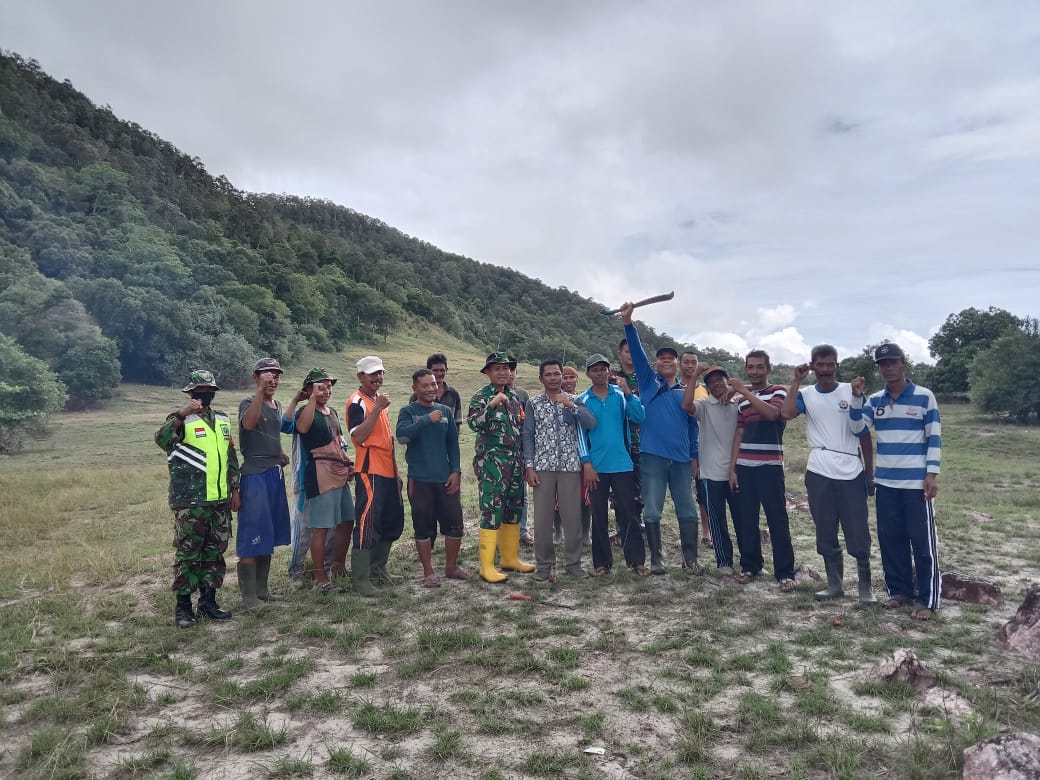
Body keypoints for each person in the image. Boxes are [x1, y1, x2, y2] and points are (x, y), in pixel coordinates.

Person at [849, 343, 941, 620]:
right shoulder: (874, 400)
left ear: (903, 363)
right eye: (883, 364)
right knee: (891, 540)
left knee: (922, 544)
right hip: (886, 483)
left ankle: (926, 599)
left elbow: (934, 437)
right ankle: (899, 591)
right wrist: (856, 398)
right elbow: (858, 428)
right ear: (879, 368)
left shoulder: (924, 397)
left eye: (893, 362)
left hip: (916, 484)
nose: (888, 367)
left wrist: (931, 474)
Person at [781, 345, 877, 603]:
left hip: (850, 468)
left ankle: (865, 588)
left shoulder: (851, 390)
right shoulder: (807, 393)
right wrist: (795, 382)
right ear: (812, 366)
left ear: (837, 365)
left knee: (857, 530)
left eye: (830, 364)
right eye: (820, 365)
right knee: (825, 529)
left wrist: (869, 473)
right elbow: (786, 413)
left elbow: (864, 435)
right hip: (819, 469)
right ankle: (835, 584)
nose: (825, 370)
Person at [619, 303, 701, 574]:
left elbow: (692, 428)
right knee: (652, 509)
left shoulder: (685, 390)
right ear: (656, 364)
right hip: (652, 456)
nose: (666, 361)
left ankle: (690, 560)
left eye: (671, 358)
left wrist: (694, 458)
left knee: (687, 508)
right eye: (662, 358)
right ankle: (657, 559)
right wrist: (629, 323)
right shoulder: (647, 381)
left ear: (677, 364)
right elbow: (638, 353)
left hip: (680, 460)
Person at [155, 370, 240, 628]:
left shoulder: (223, 420)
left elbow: (230, 457)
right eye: (200, 390)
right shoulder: (180, 420)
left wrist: (235, 489)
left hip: (219, 500)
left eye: (209, 390)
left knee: (215, 554)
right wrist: (183, 413)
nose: (205, 394)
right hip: (191, 501)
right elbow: (162, 440)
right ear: (190, 393)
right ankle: (183, 609)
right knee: (188, 555)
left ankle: (208, 603)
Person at [728, 350, 797, 591]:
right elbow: (739, 433)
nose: (755, 371)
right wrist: (733, 468)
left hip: (770, 467)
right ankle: (750, 566)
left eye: (759, 367)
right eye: (751, 367)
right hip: (745, 468)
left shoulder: (777, 391)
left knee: (777, 519)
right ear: (746, 369)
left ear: (768, 369)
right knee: (747, 520)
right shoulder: (741, 401)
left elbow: (772, 415)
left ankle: (785, 572)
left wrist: (744, 390)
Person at [523, 359, 597, 579]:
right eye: (549, 375)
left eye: (558, 374)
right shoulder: (534, 404)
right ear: (541, 378)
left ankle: (573, 564)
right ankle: (543, 565)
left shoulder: (576, 400)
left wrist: (571, 406)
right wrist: (529, 466)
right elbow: (528, 435)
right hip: (543, 466)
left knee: (572, 517)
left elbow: (590, 422)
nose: (554, 378)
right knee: (543, 519)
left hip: (570, 467)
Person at [396, 368, 469, 587]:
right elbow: (402, 437)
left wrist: (456, 471)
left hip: (445, 479)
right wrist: (427, 420)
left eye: (434, 384)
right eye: (425, 385)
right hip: (419, 480)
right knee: (423, 527)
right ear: (415, 388)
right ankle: (428, 572)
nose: (431, 389)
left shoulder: (445, 411)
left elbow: (452, 445)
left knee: (455, 525)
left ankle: (451, 566)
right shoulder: (408, 411)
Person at [468, 351, 535, 582]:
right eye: (498, 368)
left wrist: (526, 464)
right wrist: (492, 405)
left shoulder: (516, 397)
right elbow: (473, 423)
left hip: (515, 465)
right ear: (488, 372)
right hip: (492, 466)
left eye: (507, 368)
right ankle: (486, 567)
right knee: (491, 511)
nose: (504, 372)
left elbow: (522, 431)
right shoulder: (482, 396)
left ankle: (510, 558)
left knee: (513, 510)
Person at [579, 354, 647, 575]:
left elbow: (639, 416)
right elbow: (580, 435)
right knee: (598, 515)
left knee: (629, 513)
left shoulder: (620, 394)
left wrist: (628, 392)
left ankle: (636, 561)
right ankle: (601, 563)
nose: (599, 373)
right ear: (588, 373)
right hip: (596, 468)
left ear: (609, 371)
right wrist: (586, 463)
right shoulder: (583, 400)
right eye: (594, 370)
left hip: (622, 464)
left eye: (603, 369)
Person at [236, 357, 292, 610]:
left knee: (267, 531)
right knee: (252, 533)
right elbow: (249, 424)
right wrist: (260, 393)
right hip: (255, 474)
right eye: (267, 375)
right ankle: (249, 598)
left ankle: (262, 590)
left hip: (273, 472)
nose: (273, 379)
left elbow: (270, 433)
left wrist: (278, 452)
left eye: (276, 375)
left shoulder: (277, 404)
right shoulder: (249, 402)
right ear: (255, 377)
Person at [347, 356, 406, 596]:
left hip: (387, 470)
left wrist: (396, 471)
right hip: (369, 470)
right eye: (372, 374)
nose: (377, 378)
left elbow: (387, 439)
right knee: (366, 522)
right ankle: (360, 580)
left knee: (390, 520)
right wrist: (378, 408)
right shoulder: (357, 402)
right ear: (360, 377)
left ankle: (378, 568)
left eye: (380, 373)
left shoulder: (377, 400)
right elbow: (358, 436)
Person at [294, 369, 354, 594]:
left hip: (339, 471)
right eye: (320, 386)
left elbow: (339, 442)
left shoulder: (333, 412)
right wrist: (310, 400)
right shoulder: (306, 411)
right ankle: (320, 578)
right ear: (309, 389)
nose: (326, 390)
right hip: (319, 473)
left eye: (329, 386)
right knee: (320, 526)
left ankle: (338, 568)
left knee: (347, 520)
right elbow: (302, 428)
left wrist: (349, 463)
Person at [683, 365, 741, 576]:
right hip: (710, 473)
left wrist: (738, 390)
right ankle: (723, 560)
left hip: (736, 471)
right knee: (717, 520)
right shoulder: (705, 405)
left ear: (728, 381)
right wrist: (694, 376)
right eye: (712, 381)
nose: (717, 384)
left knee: (742, 518)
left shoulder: (739, 402)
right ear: (707, 387)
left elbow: (760, 388)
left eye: (721, 380)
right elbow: (686, 405)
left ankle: (749, 561)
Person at [681, 352, 713, 546]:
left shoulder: (705, 390)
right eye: (686, 362)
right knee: (682, 492)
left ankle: (706, 532)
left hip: (702, 445)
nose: (690, 366)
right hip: (678, 446)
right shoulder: (673, 386)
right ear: (679, 364)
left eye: (694, 362)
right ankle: (685, 533)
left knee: (703, 490)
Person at [417, 353, 463, 433]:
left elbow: (456, 423)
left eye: (442, 370)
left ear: (446, 370)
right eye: (435, 370)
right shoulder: (419, 394)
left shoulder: (453, 394)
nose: (439, 374)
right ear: (428, 371)